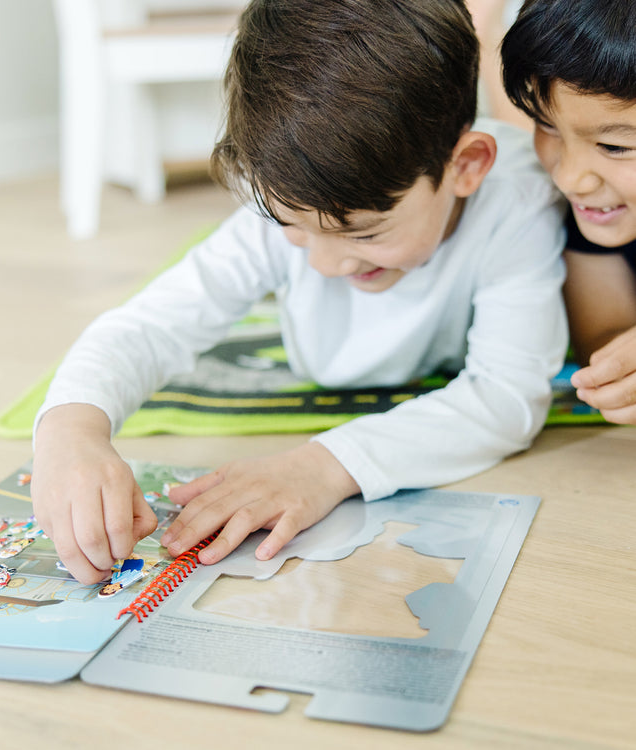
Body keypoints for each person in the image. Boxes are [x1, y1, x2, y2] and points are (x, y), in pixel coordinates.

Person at [31, 0, 567, 585]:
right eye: (292, 226)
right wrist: (71, 431)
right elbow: (148, 325)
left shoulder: (520, 201)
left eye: (364, 232)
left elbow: (506, 398)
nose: (326, 262)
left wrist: (323, 466)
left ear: (466, 166)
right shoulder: (290, 196)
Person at [488, 0, 636, 424]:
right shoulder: (593, 213)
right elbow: (605, 340)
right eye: (545, 124)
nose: (570, 178)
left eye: (615, 146)